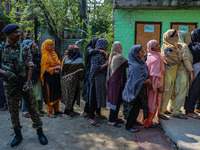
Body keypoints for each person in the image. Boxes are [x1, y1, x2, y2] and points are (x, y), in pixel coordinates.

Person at [0, 24, 48, 147]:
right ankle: (18, 135)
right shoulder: (1, 48)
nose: (18, 34)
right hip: (9, 85)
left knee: (32, 108)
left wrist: (27, 82)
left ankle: (40, 132)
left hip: (24, 83)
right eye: (16, 32)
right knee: (13, 111)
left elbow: (30, 65)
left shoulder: (24, 48)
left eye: (18, 31)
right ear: (8, 34)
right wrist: (5, 72)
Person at [122, 45, 151, 133]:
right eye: (141, 51)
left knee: (138, 106)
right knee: (134, 107)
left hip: (139, 90)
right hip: (134, 90)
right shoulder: (135, 66)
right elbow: (137, 81)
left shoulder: (140, 62)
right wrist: (147, 81)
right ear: (136, 53)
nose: (143, 53)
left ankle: (134, 121)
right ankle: (128, 126)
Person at [158, 29, 181, 120]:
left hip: (173, 72)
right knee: (166, 91)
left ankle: (164, 109)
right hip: (168, 73)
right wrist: (179, 53)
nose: (177, 37)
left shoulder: (174, 47)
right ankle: (160, 112)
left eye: (177, 35)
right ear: (169, 38)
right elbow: (176, 60)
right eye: (175, 36)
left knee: (170, 91)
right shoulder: (168, 48)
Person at [82, 37, 108, 118]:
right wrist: (101, 51)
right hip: (91, 76)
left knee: (97, 96)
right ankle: (87, 112)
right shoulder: (91, 50)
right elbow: (95, 67)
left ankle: (97, 112)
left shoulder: (101, 55)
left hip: (98, 78)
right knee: (90, 95)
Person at [170, 31, 193, 119]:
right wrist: (191, 72)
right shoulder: (184, 46)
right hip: (182, 72)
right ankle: (176, 111)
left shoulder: (174, 45)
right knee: (181, 92)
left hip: (174, 71)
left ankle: (171, 107)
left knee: (175, 90)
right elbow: (186, 60)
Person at [143, 40, 165, 128]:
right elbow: (155, 75)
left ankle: (146, 121)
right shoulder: (155, 58)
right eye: (156, 45)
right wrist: (158, 86)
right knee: (153, 103)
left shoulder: (152, 55)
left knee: (149, 102)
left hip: (150, 83)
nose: (159, 46)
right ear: (152, 48)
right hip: (154, 84)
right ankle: (148, 122)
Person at [107, 41, 128, 127]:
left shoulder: (113, 56)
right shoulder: (120, 57)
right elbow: (128, 64)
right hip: (116, 82)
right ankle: (111, 120)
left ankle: (114, 117)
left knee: (117, 100)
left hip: (114, 81)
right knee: (115, 101)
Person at [61, 45, 84, 119]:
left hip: (66, 80)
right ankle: (66, 112)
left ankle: (70, 110)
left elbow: (62, 69)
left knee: (70, 96)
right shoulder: (79, 60)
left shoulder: (65, 58)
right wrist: (81, 78)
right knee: (71, 97)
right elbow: (81, 72)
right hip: (73, 80)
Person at [40, 39, 62, 118]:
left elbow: (59, 62)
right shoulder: (45, 55)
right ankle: (49, 112)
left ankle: (56, 110)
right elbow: (46, 69)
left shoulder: (54, 53)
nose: (53, 46)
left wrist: (59, 68)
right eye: (51, 45)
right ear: (47, 46)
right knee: (50, 94)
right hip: (48, 78)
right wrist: (56, 67)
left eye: (53, 44)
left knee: (56, 93)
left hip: (55, 77)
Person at [184, 28, 200, 119]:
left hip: (196, 69)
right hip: (197, 69)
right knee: (194, 89)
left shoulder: (191, 45)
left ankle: (197, 107)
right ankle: (189, 110)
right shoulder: (196, 46)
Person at [29, 41, 45, 116]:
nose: (36, 48)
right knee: (36, 94)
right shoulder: (30, 56)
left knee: (40, 94)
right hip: (33, 77)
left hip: (39, 77)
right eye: (33, 47)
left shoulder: (38, 55)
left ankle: (40, 109)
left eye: (36, 46)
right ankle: (36, 111)